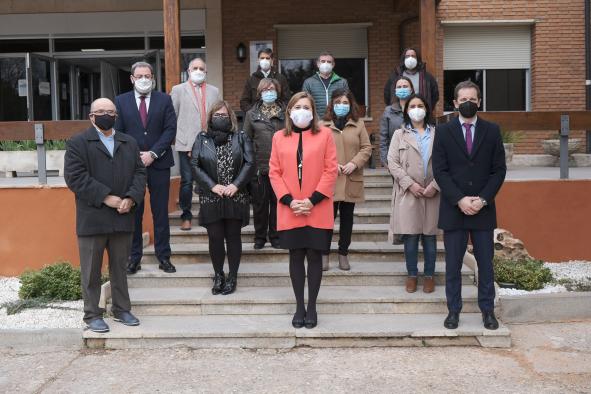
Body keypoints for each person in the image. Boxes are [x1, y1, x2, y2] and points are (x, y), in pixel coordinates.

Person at [64, 98, 146, 333]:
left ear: (116, 116)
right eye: (100, 111)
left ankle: (122, 310)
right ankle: (92, 314)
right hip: (93, 217)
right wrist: (106, 197)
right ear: (91, 116)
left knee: (120, 267)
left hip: (123, 215)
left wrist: (130, 198)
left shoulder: (128, 142)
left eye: (110, 112)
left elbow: (140, 174)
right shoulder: (78, 142)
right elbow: (75, 177)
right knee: (91, 270)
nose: (106, 115)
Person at [432, 80, 506, 331]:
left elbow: (499, 171)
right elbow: (440, 171)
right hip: (454, 209)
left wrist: (483, 199)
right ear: (454, 103)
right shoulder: (443, 131)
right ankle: (453, 311)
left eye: (472, 99)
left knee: (485, 265)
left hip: (483, 209)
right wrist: (460, 199)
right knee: (453, 265)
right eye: (463, 100)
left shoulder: (493, 131)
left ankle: (488, 311)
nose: (468, 103)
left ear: (479, 102)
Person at [269, 91, 338, 329]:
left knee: (314, 255)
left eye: (306, 107)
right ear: (289, 111)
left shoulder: (325, 135)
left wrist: (313, 199)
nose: (302, 111)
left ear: (313, 112)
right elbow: (274, 172)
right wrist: (289, 200)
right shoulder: (279, 137)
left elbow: (331, 169)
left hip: (317, 206)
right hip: (290, 207)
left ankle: (312, 306)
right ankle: (299, 305)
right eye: (297, 106)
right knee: (296, 255)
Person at [114, 61, 177, 275]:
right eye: (139, 76)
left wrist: (152, 154)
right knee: (135, 213)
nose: (143, 79)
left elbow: (170, 130)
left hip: (159, 163)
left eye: (147, 76)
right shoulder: (120, 102)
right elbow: (118, 132)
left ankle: (164, 256)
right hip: (132, 166)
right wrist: (136, 156)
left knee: (160, 213)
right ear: (132, 78)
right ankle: (134, 258)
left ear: (153, 78)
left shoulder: (164, 100)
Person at [191, 100, 255, 295]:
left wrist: (235, 185)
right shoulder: (201, 139)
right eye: (217, 115)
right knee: (215, 238)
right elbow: (194, 165)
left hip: (236, 196)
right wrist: (212, 186)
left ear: (231, 118)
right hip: (212, 197)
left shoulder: (241, 137)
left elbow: (250, 162)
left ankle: (233, 276)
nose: (220, 118)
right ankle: (218, 275)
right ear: (210, 117)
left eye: (224, 115)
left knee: (233, 238)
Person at [387, 94, 440, 294]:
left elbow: (446, 163)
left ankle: (429, 276)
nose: (416, 109)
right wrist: (410, 184)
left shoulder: (438, 133)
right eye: (412, 106)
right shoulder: (399, 135)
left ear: (426, 109)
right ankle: (411, 275)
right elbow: (392, 162)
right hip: (409, 194)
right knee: (410, 238)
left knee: (430, 238)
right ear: (406, 110)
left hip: (432, 193)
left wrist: (435, 185)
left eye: (420, 105)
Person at [321, 88, 372, 271]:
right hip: (330, 180)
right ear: (331, 105)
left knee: (347, 221)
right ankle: (324, 254)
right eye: (337, 103)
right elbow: (317, 151)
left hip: (351, 178)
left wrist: (355, 163)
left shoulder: (358, 124)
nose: (341, 106)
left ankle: (343, 253)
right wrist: (331, 165)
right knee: (327, 221)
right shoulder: (322, 125)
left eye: (344, 103)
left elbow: (366, 148)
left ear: (351, 104)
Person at [171, 57, 221, 231]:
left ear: (206, 72)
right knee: (187, 181)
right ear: (189, 71)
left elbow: (217, 116)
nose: (198, 71)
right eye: (195, 68)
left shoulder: (214, 91)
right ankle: (186, 215)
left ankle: (207, 214)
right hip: (186, 143)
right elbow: (173, 116)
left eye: (202, 68)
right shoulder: (178, 90)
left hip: (209, 143)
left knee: (208, 181)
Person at [243, 78, 285, 250]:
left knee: (277, 203)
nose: (269, 92)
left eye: (272, 88)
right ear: (260, 93)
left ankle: (275, 236)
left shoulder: (286, 113)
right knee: (260, 205)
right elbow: (245, 140)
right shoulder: (251, 114)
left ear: (278, 91)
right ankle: (260, 237)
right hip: (259, 167)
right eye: (266, 89)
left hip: (281, 168)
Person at [240, 48, 291, 113]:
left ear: (272, 60)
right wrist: (253, 113)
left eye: (267, 58)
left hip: (276, 117)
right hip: (256, 119)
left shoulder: (280, 78)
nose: (264, 60)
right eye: (262, 58)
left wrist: (279, 112)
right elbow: (244, 101)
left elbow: (287, 100)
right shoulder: (251, 79)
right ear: (258, 60)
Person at [379, 76, 414, 167]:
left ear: (411, 90)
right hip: (395, 157)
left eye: (405, 86)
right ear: (395, 91)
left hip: (415, 156)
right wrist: (384, 158)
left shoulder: (418, 109)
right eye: (399, 87)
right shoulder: (388, 111)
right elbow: (383, 138)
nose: (402, 89)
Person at [302, 51, 349, 118]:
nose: (326, 64)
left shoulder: (342, 82)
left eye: (329, 62)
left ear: (333, 65)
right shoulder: (309, 82)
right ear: (318, 64)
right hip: (316, 123)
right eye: (323, 61)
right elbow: (304, 104)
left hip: (336, 122)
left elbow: (347, 102)